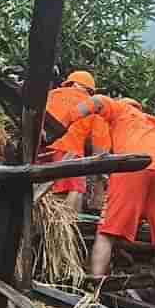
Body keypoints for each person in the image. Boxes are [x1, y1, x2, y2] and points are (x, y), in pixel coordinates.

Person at [89, 98, 155, 308]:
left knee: (107, 231)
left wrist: (65, 119)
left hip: (133, 164)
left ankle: (92, 291)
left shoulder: (120, 112)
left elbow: (96, 101)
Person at [41, 71, 109, 213]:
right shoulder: (94, 105)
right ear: (90, 90)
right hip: (70, 152)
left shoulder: (52, 94)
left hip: (41, 149)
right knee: (75, 189)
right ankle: (67, 228)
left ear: (69, 83)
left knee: (40, 191)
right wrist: (99, 178)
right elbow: (100, 146)